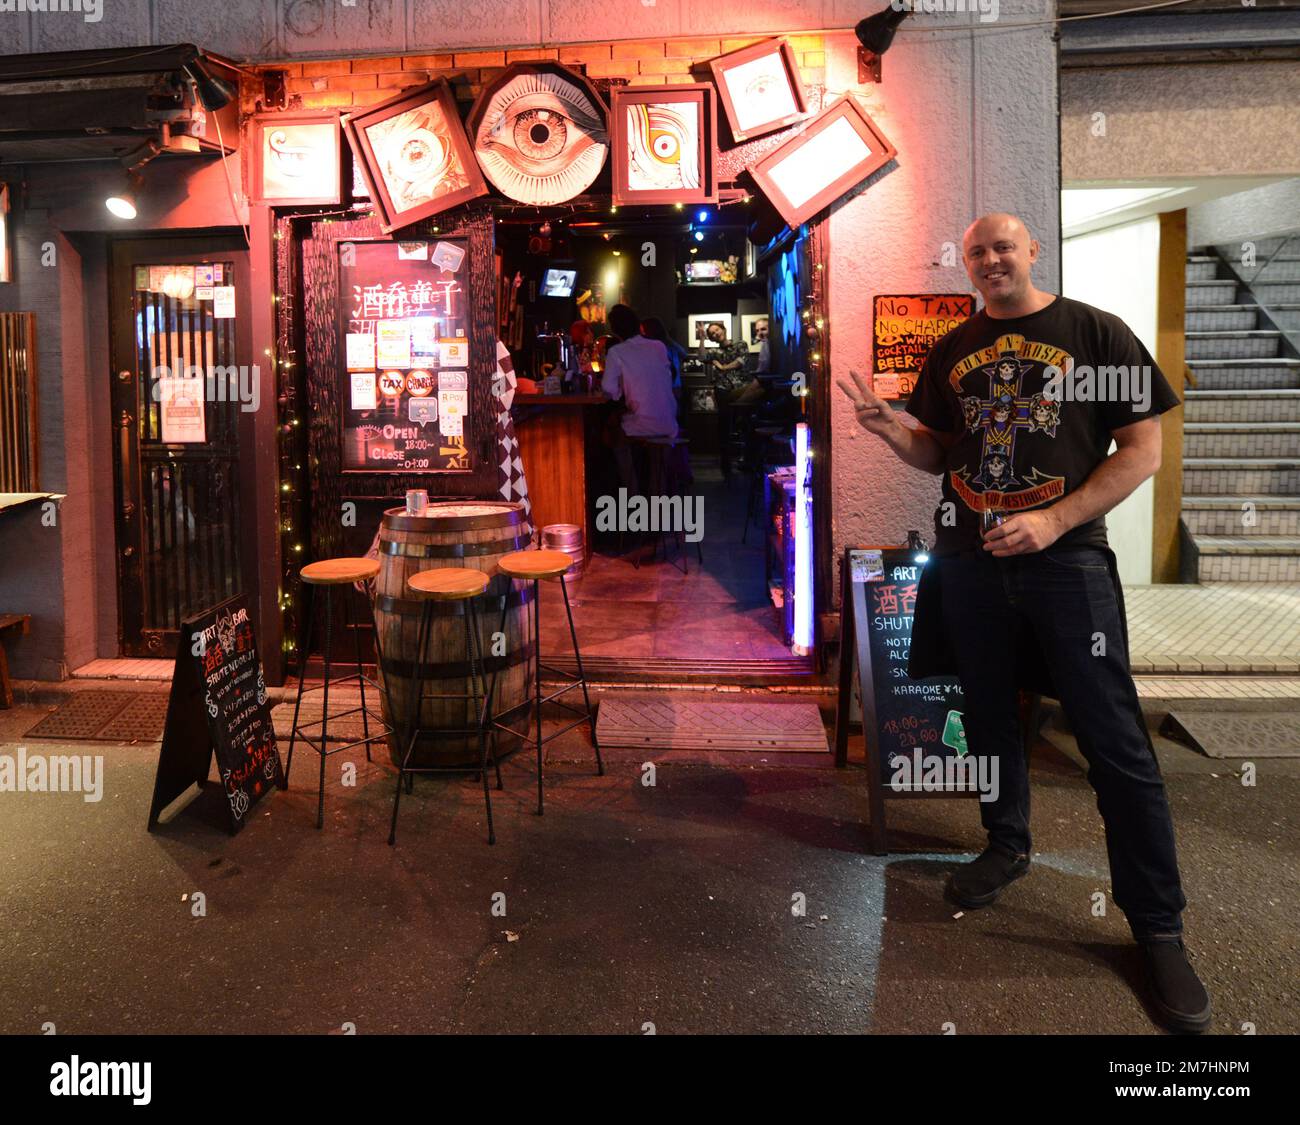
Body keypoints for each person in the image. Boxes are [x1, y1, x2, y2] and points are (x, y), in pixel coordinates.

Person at [836, 212, 1209, 1035]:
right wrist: (892, 429)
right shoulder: (952, 348)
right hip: (971, 563)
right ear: (965, 263)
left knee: (1115, 742)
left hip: (1067, 564)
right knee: (990, 717)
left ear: (1033, 249)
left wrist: (1055, 520)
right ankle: (1006, 844)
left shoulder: (1096, 334)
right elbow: (940, 451)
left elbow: (1141, 449)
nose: (991, 259)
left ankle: (1158, 928)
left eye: (1004, 246)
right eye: (976, 251)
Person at [697, 320, 763, 405]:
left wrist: (723, 367)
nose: (716, 333)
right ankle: (737, 407)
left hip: (744, 387)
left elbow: (740, 361)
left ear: (724, 330)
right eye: (713, 333)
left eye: (717, 329)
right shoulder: (714, 352)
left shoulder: (740, 344)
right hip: (724, 389)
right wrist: (702, 338)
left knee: (761, 385)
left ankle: (737, 407)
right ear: (712, 339)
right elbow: (701, 358)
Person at [640, 316, 688, 391]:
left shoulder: (659, 347)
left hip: (666, 388)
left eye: (643, 330)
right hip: (674, 387)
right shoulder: (669, 344)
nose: (642, 333)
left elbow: (684, 354)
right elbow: (684, 354)